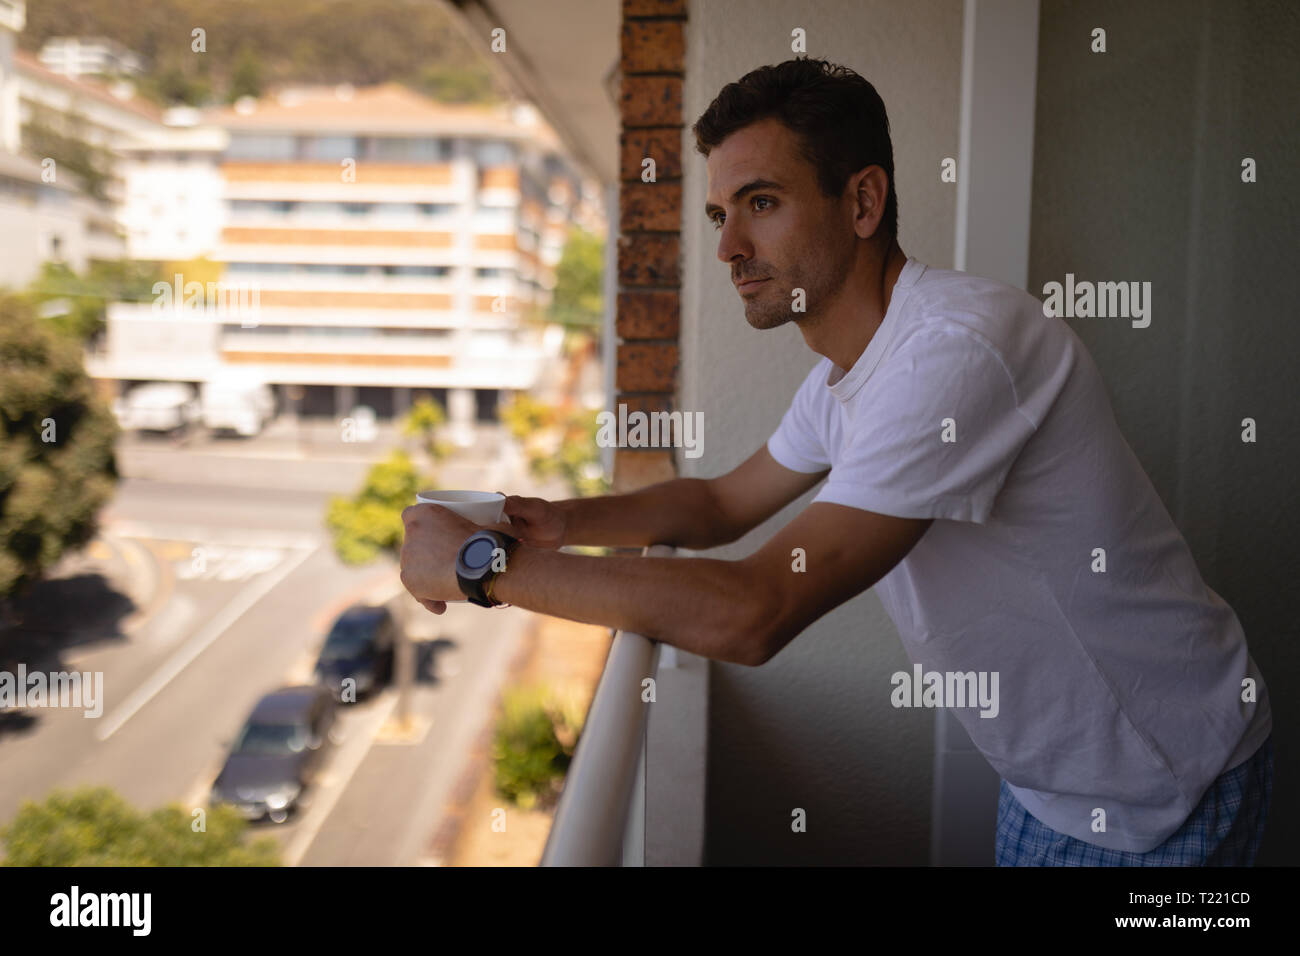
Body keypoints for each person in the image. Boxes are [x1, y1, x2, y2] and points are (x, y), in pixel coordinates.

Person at [400, 57, 1272, 866]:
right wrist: (556, 523)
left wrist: (486, 568)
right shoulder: (847, 375)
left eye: (762, 203)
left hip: (1165, 788)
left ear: (862, 203)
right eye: (720, 214)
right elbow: (717, 506)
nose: (727, 249)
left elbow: (756, 609)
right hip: (1054, 784)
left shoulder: (956, 351)